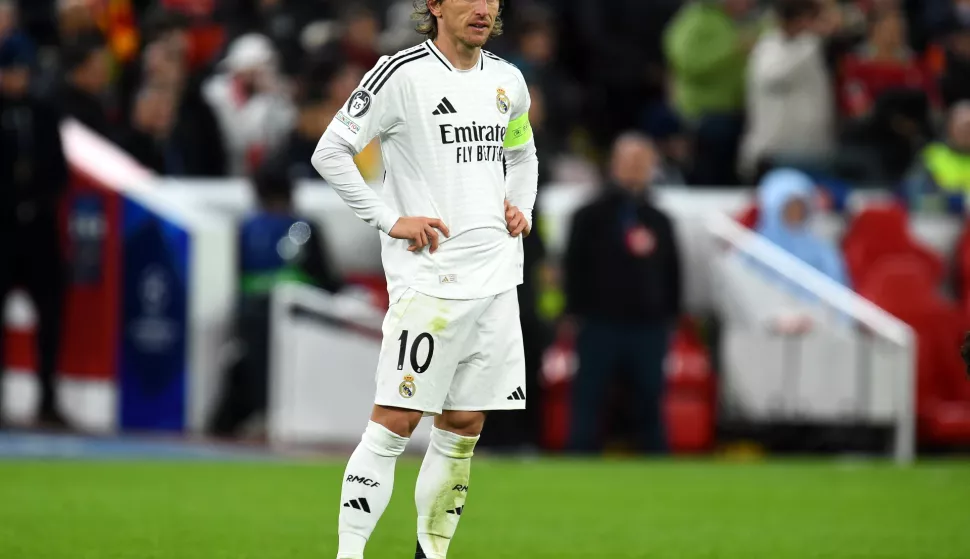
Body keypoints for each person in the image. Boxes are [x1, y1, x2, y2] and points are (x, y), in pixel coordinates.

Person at [310, 0, 538, 557]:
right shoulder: (401, 74)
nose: (483, 8)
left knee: (463, 423)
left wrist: (519, 205)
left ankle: (430, 554)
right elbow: (330, 151)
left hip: (496, 280)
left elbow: (523, 152)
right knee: (395, 419)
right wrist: (390, 220)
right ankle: (349, 553)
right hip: (431, 282)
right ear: (434, 5)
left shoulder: (509, 80)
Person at [564, 133, 682, 454]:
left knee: (650, 398)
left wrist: (671, 316)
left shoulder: (660, 220)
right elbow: (573, 268)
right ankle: (578, 463)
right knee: (589, 397)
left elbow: (673, 272)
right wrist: (573, 314)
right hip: (599, 323)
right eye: (629, 161)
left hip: (648, 326)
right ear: (613, 165)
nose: (635, 168)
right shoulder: (588, 216)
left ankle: (656, 466)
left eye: (642, 161)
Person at [208, 163, 343, 437]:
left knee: (249, 369)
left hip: (250, 318)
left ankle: (238, 421)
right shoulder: (303, 228)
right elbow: (327, 279)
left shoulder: (245, 228)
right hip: (299, 321)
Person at [0, 26, 71, 428]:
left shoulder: (43, 114)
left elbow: (58, 172)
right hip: (3, 229)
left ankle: (48, 399)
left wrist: (36, 200)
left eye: (20, 71)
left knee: (51, 316)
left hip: (40, 230)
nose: (15, 79)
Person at [739, 0, 837, 181]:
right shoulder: (768, 47)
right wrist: (811, 41)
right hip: (776, 152)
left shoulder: (813, 48)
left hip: (814, 150)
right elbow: (773, 76)